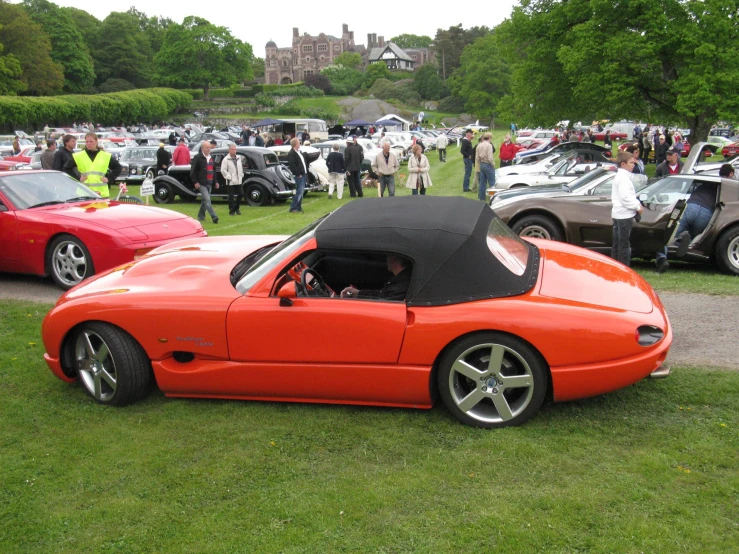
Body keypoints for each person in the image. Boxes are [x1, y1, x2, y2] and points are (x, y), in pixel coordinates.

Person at [668, 164, 732, 260]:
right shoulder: (727, 187)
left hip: (691, 207)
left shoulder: (708, 182)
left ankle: (667, 249)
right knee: (695, 240)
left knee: (671, 234)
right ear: (731, 173)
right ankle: (687, 244)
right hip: (706, 212)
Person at [65, 132, 122, 198]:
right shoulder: (78, 156)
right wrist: (78, 178)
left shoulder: (105, 155)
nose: (89, 144)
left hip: (101, 192)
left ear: (96, 142)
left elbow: (118, 167)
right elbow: (66, 168)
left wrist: (109, 178)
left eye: (91, 142)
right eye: (87, 142)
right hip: (84, 192)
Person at [610, 152, 643, 267]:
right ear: (623, 164)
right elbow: (626, 197)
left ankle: (615, 266)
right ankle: (623, 268)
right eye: (631, 163)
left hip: (618, 214)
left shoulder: (621, 176)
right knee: (624, 245)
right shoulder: (623, 178)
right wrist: (638, 207)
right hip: (624, 215)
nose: (633, 165)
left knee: (618, 243)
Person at [340, 255, 411, 301]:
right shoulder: (399, 281)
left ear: (394, 257)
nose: (386, 259)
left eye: (387, 255)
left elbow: (383, 303)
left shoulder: (401, 286)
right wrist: (358, 293)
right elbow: (381, 294)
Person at [190, 140, 220, 224]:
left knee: (204, 201)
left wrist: (216, 182)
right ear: (202, 148)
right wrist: (195, 182)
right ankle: (214, 216)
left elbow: (214, 171)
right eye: (207, 147)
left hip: (209, 182)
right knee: (207, 200)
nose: (209, 149)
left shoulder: (211, 158)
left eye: (209, 147)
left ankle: (201, 216)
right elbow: (193, 171)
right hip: (201, 183)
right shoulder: (197, 157)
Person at [221, 143, 244, 216]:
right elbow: (223, 170)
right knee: (231, 196)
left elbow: (240, 167)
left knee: (241, 194)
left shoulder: (238, 158)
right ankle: (231, 211)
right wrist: (229, 177)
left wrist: (241, 174)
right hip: (231, 181)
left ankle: (236, 208)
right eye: (232, 149)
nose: (234, 151)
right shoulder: (226, 159)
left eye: (235, 149)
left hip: (238, 179)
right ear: (229, 150)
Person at [287, 137, 308, 213]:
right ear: (295, 144)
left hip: (303, 174)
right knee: (299, 192)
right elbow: (292, 165)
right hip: (299, 175)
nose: (300, 143)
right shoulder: (292, 154)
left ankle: (298, 207)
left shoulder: (299, 152)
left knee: (301, 192)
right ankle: (293, 207)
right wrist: (298, 174)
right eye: (299, 142)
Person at [476, 133, 496, 201]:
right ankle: (492, 198)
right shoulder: (489, 145)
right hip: (488, 164)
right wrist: (493, 164)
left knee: (482, 182)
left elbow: (477, 157)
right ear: (489, 138)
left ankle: (481, 198)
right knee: (492, 182)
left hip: (481, 164)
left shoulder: (479, 145)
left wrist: (480, 163)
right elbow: (490, 157)